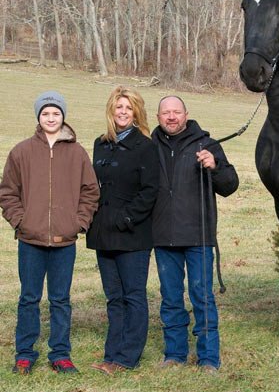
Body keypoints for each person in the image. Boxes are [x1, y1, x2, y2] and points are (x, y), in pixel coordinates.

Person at [0, 91, 99, 374]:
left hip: (64, 241)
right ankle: (24, 353)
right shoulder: (21, 151)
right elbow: (8, 192)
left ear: (63, 116)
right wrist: (21, 221)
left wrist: (78, 223)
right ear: (38, 117)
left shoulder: (77, 153)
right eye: (46, 113)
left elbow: (90, 192)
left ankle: (60, 353)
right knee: (29, 298)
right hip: (30, 240)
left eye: (56, 113)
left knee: (60, 299)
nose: (51, 118)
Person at [152, 95, 239, 371]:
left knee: (202, 296)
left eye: (176, 112)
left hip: (198, 236)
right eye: (166, 112)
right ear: (158, 117)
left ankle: (209, 358)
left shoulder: (207, 144)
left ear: (186, 114)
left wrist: (214, 167)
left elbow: (230, 185)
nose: (171, 116)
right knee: (171, 298)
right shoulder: (149, 146)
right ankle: (175, 354)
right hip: (163, 236)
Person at [87, 86, 159, 375]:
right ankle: (111, 354)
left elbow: (150, 190)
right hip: (103, 232)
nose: (123, 113)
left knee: (133, 295)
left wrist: (127, 218)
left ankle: (128, 357)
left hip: (132, 234)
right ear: (111, 110)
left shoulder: (146, 146)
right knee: (113, 297)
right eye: (119, 108)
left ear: (136, 112)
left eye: (129, 108)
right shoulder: (100, 143)